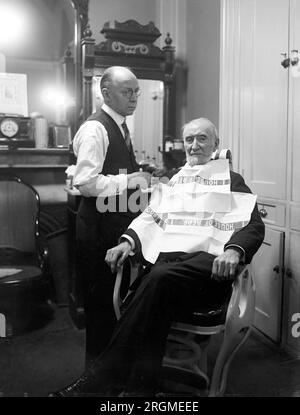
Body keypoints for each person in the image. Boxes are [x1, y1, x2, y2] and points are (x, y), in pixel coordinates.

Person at [53, 117, 265, 396]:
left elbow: (253, 224)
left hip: (207, 268)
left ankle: (102, 378)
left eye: (202, 138)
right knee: (156, 289)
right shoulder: (175, 180)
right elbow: (150, 217)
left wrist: (232, 250)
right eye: (189, 139)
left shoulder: (232, 180)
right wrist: (127, 242)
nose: (194, 145)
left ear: (216, 143)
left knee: (155, 279)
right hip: (169, 271)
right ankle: (142, 389)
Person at [72, 66, 151, 365]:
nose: (133, 98)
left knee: (113, 301)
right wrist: (130, 179)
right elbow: (86, 183)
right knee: (100, 305)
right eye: (126, 92)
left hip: (114, 225)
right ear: (106, 92)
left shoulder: (120, 126)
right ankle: (94, 378)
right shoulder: (96, 128)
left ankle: (110, 371)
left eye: (136, 92)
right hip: (97, 228)